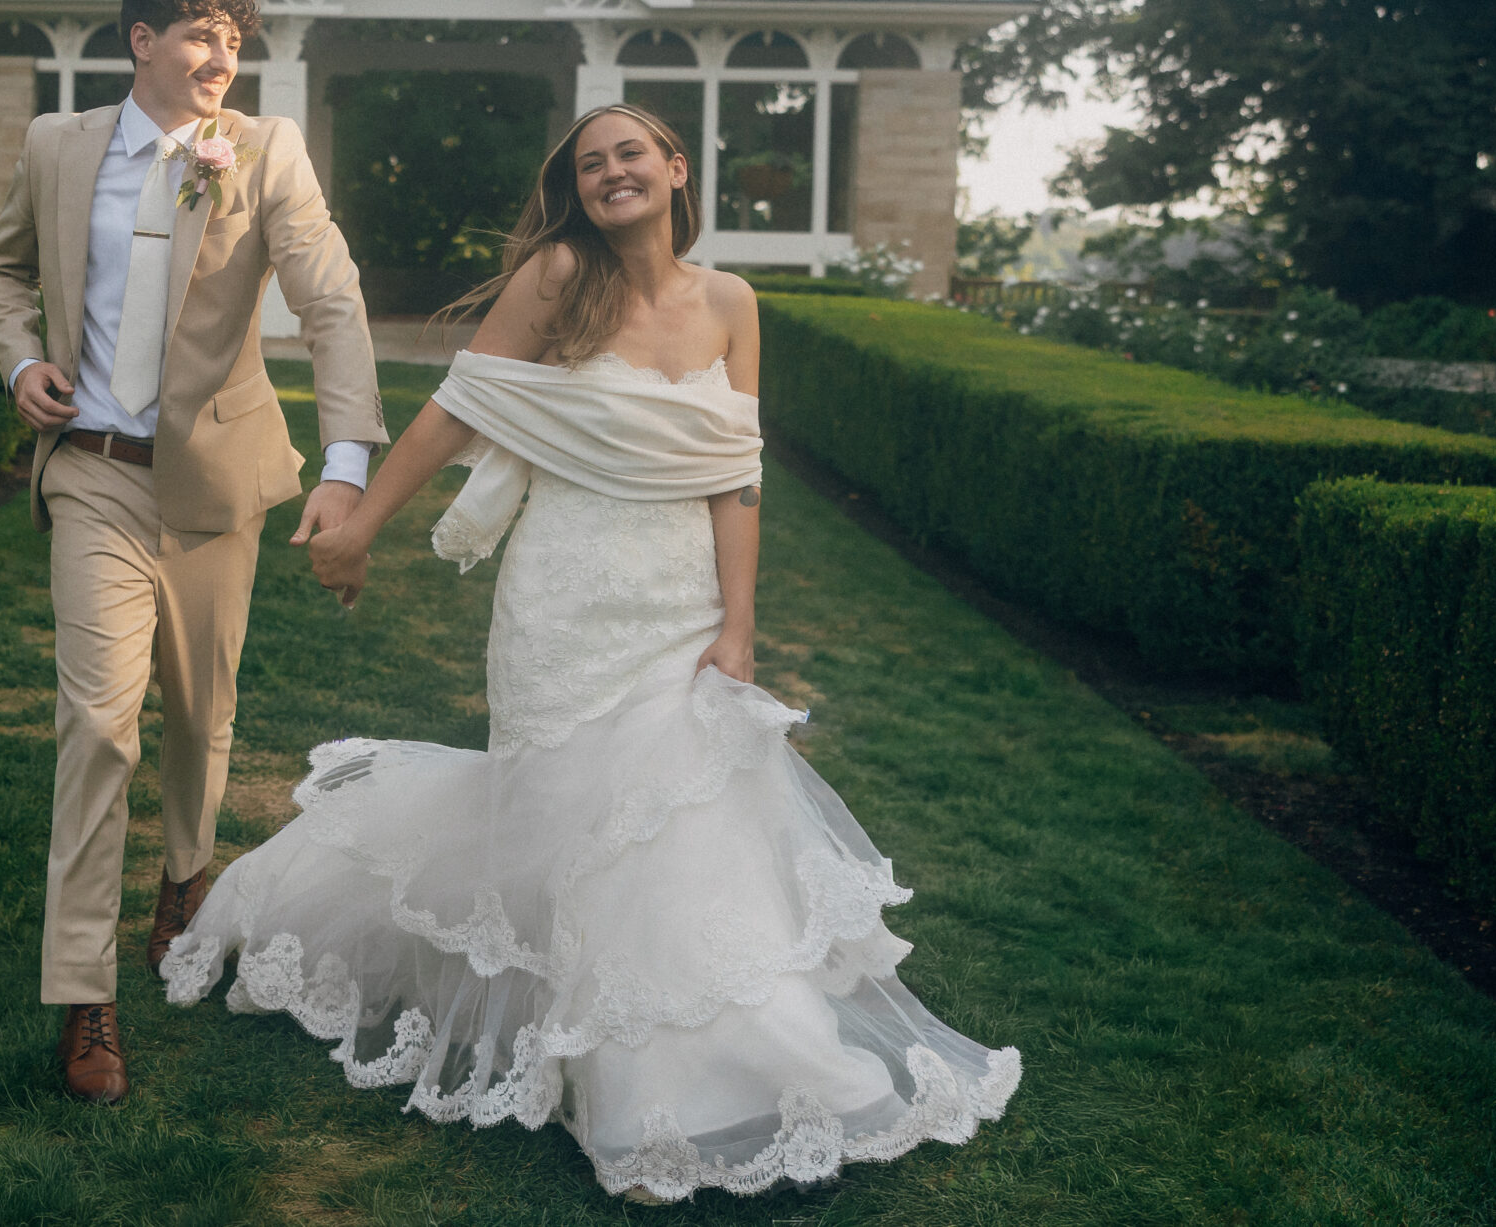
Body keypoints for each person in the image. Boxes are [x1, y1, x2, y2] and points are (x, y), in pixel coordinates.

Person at [157, 104, 1020, 1202]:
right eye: (588, 161)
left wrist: (738, 626)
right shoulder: (560, 274)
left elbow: (736, 473)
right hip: (564, 599)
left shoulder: (732, 302)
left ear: (673, 169)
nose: (610, 171)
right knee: (573, 823)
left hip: (680, 601)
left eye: (629, 154)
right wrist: (364, 522)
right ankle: (630, 1083)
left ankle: (747, 1061)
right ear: (576, 186)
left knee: (689, 822)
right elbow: (460, 408)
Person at [0, 0, 387, 1105]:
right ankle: (83, 994)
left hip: (215, 481)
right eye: (204, 39)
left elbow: (332, 302)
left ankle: (187, 878)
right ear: (142, 40)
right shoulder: (60, 147)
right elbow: (2, 271)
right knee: (98, 726)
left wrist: (347, 464)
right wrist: (22, 360)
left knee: (203, 714)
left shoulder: (264, 151)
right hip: (94, 479)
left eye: (235, 47)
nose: (222, 63)